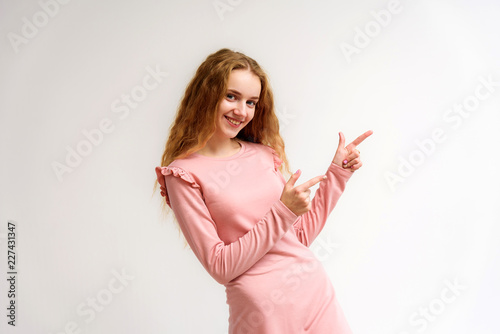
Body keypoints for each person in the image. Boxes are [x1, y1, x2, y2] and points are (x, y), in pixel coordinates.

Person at [155, 48, 372, 333]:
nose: (241, 111)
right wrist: (282, 211)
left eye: (251, 102)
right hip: (262, 313)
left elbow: (298, 237)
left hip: (314, 292)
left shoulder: (262, 154)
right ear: (206, 94)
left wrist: (338, 173)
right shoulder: (184, 174)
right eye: (231, 96)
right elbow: (220, 266)